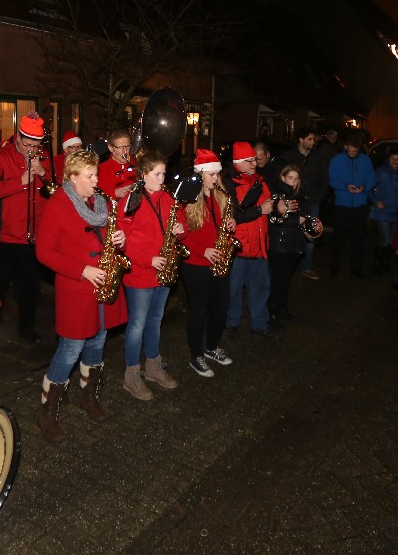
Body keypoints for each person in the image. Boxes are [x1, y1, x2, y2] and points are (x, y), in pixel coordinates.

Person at [34, 150, 128, 443]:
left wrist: (119, 238)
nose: (96, 180)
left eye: (96, 174)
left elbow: (107, 233)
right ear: (73, 178)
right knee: (70, 349)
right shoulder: (58, 204)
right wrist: (82, 270)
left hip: (103, 284)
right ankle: (47, 412)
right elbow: (44, 252)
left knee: (98, 341)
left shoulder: (99, 202)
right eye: (90, 176)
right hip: (77, 287)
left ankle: (89, 396)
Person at [0, 111, 52, 346]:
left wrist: (44, 174)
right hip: (6, 235)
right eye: (27, 145)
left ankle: (26, 328)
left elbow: (53, 187)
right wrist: (20, 181)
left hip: (33, 235)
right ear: (18, 138)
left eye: (36, 146)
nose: (31, 150)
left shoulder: (43, 157)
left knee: (30, 288)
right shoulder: (0, 157)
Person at [119, 150, 183, 400]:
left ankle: (154, 366)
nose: (162, 178)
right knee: (137, 324)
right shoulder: (131, 200)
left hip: (163, 270)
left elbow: (181, 225)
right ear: (143, 175)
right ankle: (132, 374)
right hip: (141, 273)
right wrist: (148, 259)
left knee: (155, 320)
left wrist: (180, 228)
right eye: (157, 174)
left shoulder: (167, 198)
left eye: (164, 174)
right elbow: (122, 241)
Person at [177, 149, 236, 377]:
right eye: (211, 174)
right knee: (199, 310)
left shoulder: (220, 196)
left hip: (218, 259)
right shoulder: (188, 197)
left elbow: (222, 227)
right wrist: (202, 250)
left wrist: (230, 224)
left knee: (221, 307)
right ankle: (196, 356)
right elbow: (180, 235)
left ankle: (211, 347)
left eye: (217, 174)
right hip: (195, 262)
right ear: (200, 174)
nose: (215, 178)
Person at [225, 141, 282, 340]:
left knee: (260, 288)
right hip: (239, 247)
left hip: (259, 246)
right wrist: (259, 211)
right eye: (250, 161)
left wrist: (278, 208)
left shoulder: (260, 181)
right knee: (233, 290)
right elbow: (232, 216)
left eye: (255, 160)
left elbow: (269, 207)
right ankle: (232, 323)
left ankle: (259, 323)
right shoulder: (228, 184)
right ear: (238, 163)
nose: (255, 164)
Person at [266, 164, 321, 328]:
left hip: (295, 244)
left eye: (296, 178)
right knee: (278, 281)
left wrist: (312, 224)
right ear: (283, 178)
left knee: (286, 280)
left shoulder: (300, 196)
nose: (294, 181)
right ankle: (272, 313)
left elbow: (303, 218)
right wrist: (296, 220)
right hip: (280, 245)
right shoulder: (277, 195)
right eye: (290, 178)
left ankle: (282, 308)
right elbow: (274, 219)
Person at [279, 129, 327, 279]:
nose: (313, 142)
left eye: (313, 139)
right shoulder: (289, 155)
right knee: (290, 231)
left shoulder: (318, 156)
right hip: (293, 200)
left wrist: (317, 197)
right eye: (310, 139)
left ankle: (306, 266)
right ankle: (288, 265)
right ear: (301, 140)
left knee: (310, 234)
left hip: (312, 201)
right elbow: (282, 176)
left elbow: (324, 179)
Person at [328, 136, 375, 277]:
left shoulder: (366, 160)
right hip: (342, 203)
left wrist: (364, 187)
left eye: (356, 151)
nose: (353, 153)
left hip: (360, 204)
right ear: (345, 147)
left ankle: (356, 268)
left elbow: (372, 178)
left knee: (359, 237)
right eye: (351, 150)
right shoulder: (337, 160)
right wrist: (345, 186)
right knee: (338, 236)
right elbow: (331, 179)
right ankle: (335, 266)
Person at [368, 149, 398, 275]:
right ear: (388, 159)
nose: (395, 161)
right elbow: (369, 189)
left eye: (397, 159)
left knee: (391, 241)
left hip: (395, 212)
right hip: (381, 211)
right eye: (392, 158)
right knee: (384, 239)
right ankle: (376, 264)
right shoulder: (380, 172)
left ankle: (384, 264)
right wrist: (375, 201)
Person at [97, 127, 137, 201]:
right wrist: (114, 193)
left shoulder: (137, 166)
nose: (125, 151)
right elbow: (96, 197)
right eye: (120, 148)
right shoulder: (100, 169)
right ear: (110, 148)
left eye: (127, 147)